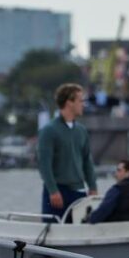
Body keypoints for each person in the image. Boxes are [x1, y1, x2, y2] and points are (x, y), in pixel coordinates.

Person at [36, 82, 97, 221]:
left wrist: (92, 186)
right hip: (57, 193)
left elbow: (87, 160)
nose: (83, 104)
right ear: (69, 102)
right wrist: (53, 190)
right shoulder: (49, 130)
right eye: (80, 100)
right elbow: (44, 164)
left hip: (79, 193)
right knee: (52, 234)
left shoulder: (81, 131)